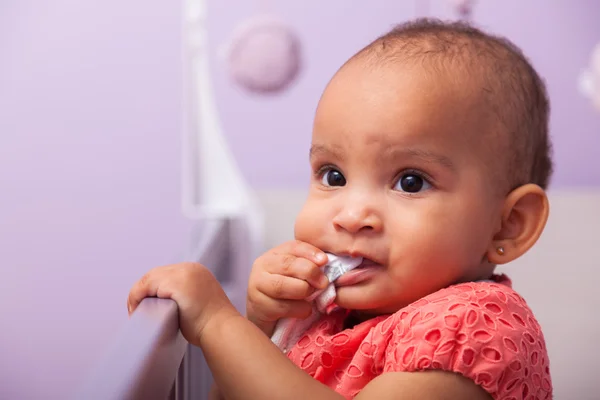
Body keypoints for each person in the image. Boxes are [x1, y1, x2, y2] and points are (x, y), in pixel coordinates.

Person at [127, 18, 553, 399]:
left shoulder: (476, 324)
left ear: (507, 226)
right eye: (333, 176)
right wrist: (259, 325)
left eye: (410, 182)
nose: (351, 216)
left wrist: (218, 325)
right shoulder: (325, 313)